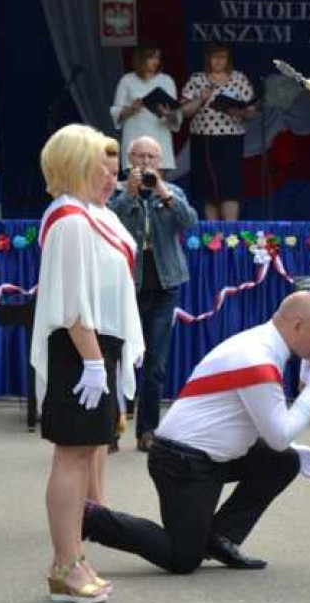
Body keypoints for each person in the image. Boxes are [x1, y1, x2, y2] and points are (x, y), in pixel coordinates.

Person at [82, 292, 310, 575]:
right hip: (182, 462)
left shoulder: (260, 343)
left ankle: (219, 538)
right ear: (297, 325)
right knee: (182, 558)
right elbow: (278, 436)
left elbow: (255, 420)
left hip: (204, 455)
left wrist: (292, 446)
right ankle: (91, 518)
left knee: (284, 460)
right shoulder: (256, 359)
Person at [32, 123, 143, 603]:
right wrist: (94, 362)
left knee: (87, 452)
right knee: (73, 454)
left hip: (96, 347)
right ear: (76, 165)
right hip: (82, 349)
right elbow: (73, 304)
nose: (111, 173)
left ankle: (73, 555)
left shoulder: (93, 215)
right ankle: (64, 563)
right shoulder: (71, 220)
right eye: (101, 164)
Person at [111, 136, 198, 452]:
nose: (146, 162)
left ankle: (147, 430)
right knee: (117, 358)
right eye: (140, 156)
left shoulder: (172, 192)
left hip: (164, 286)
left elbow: (189, 222)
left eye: (152, 157)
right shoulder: (118, 192)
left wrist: (163, 193)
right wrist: (130, 195)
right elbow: (111, 223)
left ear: (161, 163)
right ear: (129, 159)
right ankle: (111, 428)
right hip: (126, 285)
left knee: (155, 364)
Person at [86, 136, 143, 502]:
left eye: (115, 173)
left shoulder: (104, 213)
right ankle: (90, 507)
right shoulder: (76, 217)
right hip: (91, 331)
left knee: (101, 432)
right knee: (86, 440)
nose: (111, 179)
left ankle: (98, 504)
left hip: (112, 326)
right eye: (102, 172)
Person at [180, 42, 257, 220]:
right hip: (203, 139)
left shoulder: (239, 78)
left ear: (228, 59)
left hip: (231, 139)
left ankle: (230, 232)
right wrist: (201, 98)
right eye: (215, 57)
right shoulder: (197, 79)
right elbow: (184, 111)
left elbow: (251, 110)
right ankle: (212, 234)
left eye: (222, 57)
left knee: (230, 187)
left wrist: (240, 111)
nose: (218, 61)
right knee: (208, 188)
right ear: (208, 59)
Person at [110, 43, 182, 176]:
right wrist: (132, 109)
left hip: (159, 137)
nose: (156, 61)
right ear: (141, 59)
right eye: (151, 58)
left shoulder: (167, 80)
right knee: (135, 185)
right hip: (134, 137)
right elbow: (116, 116)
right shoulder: (127, 80)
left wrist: (167, 113)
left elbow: (176, 119)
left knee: (157, 187)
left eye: (158, 58)